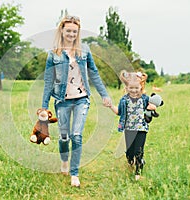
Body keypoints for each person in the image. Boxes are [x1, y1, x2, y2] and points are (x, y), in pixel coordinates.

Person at [41, 15, 112, 187]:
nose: (71, 34)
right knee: (64, 137)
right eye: (68, 30)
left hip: (81, 99)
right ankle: (64, 161)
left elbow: (94, 73)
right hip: (62, 100)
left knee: (77, 136)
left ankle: (74, 173)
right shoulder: (54, 54)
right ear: (62, 31)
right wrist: (43, 106)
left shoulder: (84, 50)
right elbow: (48, 81)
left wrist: (104, 94)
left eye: (75, 31)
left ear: (78, 32)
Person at [110, 70, 156, 180]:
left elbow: (153, 106)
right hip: (129, 129)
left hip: (141, 129)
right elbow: (118, 112)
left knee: (138, 151)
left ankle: (138, 172)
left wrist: (152, 107)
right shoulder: (124, 100)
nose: (134, 90)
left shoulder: (145, 99)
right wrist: (110, 106)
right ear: (126, 88)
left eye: (136, 88)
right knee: (130, 152)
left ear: (141, 87)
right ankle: (130, 162)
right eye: (131, 88)